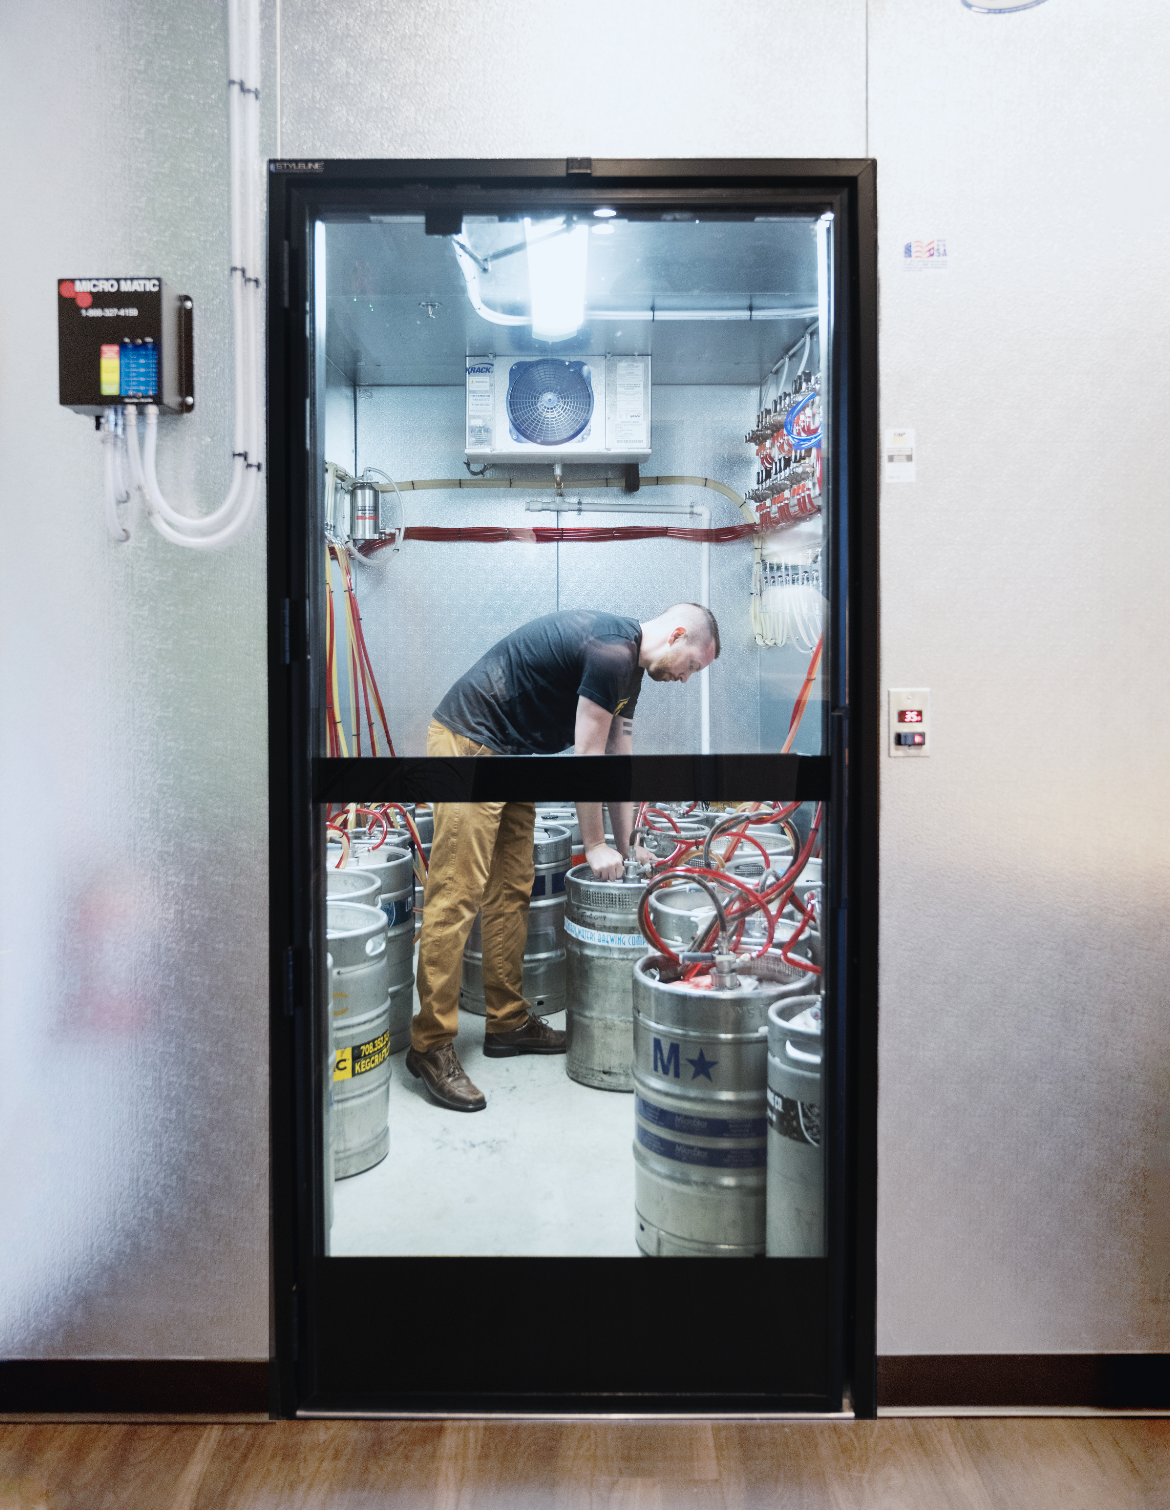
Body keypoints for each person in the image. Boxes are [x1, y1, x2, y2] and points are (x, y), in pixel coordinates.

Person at [405, 603, 721, 1111]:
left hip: (511, 753)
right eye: (694, 666)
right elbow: (588, 759)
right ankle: (430, 1045)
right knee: (458, 892)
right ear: (678, 634)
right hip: (469, 739)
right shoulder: (611, 651)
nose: (688, 679)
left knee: (511, 889)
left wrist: (626, 842)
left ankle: (506, 1023)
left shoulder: (629, 671)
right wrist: (593, 844)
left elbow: (620, 760)